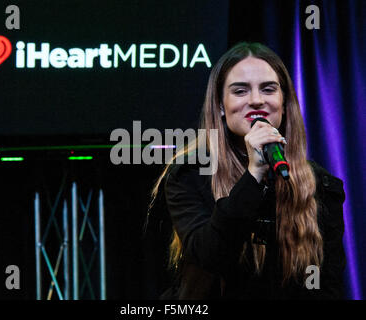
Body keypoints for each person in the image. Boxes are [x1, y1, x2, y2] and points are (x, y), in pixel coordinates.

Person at [148, 42, 346, 299]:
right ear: (220, 105)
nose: (256, 100)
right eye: (240, 91)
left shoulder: (321, 185)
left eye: (268, 89)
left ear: (284, 103)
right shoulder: (189, 175)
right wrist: (253, 174)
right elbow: (212, 256)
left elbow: (328, 287)